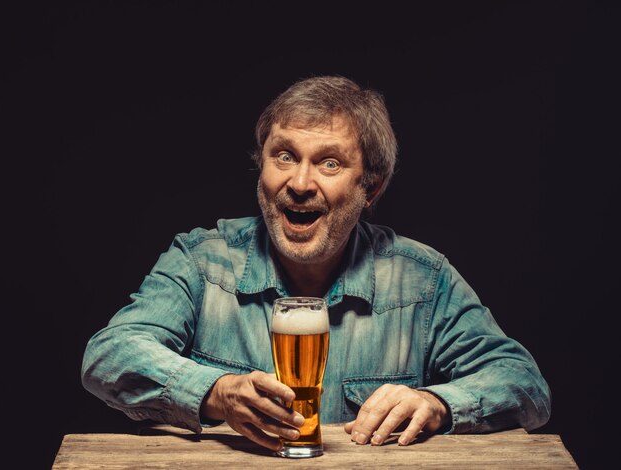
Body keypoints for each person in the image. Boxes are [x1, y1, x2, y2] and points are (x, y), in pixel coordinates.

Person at [81, 75, 551, 451]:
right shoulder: (202, 260)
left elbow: (524, 384)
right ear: (261, 166)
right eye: (284, 156)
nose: (300, 182)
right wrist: (217, 392)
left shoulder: (423, 280)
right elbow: (110, 353)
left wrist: (438, 403)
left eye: (329, 163)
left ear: (371, 188)